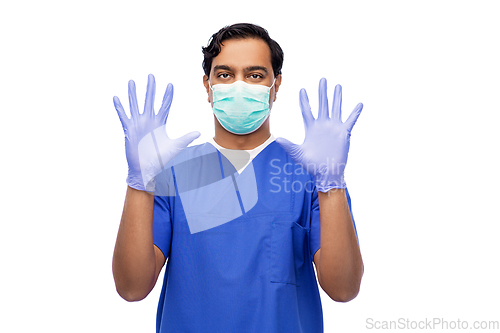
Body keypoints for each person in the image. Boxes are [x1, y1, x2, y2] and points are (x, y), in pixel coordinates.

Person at [112, 23, 364, 332]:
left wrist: (333, 185)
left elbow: (343, 289)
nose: (240, 86)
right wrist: (139, 182)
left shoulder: (310, 176)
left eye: (255, 75)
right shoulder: (174, 175)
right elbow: (132, 288)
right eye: (225, 75)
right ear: (208, 86)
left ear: (276, 85)